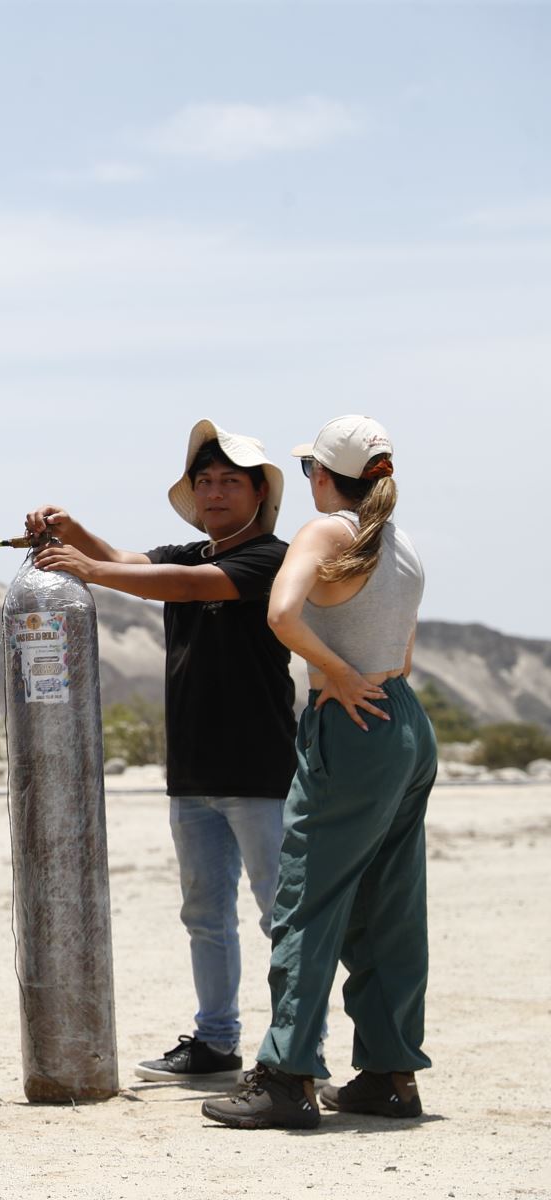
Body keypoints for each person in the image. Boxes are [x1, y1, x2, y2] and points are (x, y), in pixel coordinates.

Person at [27, 420, 296, 1083]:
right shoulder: (190, 553)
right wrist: (75, 530)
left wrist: (89, 568)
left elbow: (180, 584)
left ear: (259, 493)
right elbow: (138, 561)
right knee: (205, 915)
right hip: (194, 773)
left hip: (259, 771)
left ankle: (292, 1046)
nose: (214, 492)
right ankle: (215, 1041)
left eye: (229, 481)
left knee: (279, 914)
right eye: (204, 481)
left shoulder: (271, 558)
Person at [204, 416, 434, 1131]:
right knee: (391, 904)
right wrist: (364, 674)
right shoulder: (400, 545)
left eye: (310, 469)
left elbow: (280, 611)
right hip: (403, 721)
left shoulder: (327, 532)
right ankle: (390, 1076)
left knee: (308, 899)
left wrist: (334, 672)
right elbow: (403, 651)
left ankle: (286, 1077)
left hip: (354, 723)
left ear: (324, 478)